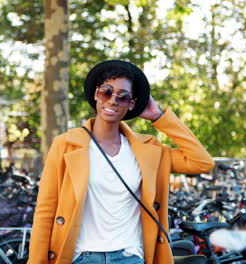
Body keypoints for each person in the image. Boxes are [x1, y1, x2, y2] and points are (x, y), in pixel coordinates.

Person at [27, 60, 215, 264]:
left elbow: (201, 162)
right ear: (96, 94)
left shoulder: (148, 150)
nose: (113, 101)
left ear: (132, 103)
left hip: (129, 256)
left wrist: (158, 116)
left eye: (123, 97)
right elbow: (45, 211)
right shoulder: (65, 145)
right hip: (81, 257)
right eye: (106, 92)